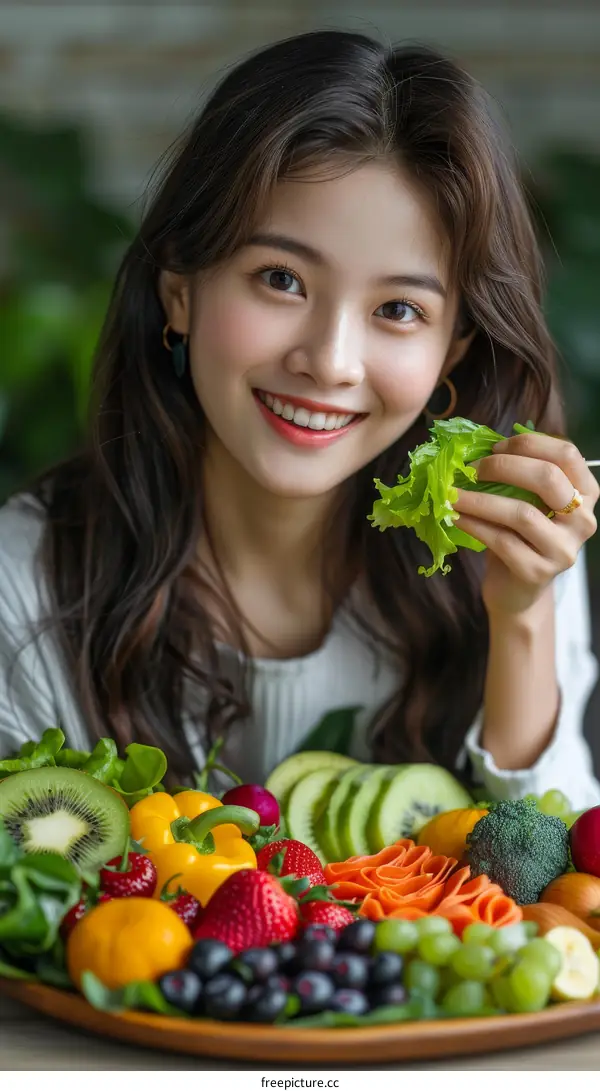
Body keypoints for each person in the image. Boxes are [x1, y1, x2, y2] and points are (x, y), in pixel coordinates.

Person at [0, 30, 598, 807]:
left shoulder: (511, 552)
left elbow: (560, 905)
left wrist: (521, 617)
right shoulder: (23, 586)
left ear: (452, 351)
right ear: (181, 290)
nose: (331, 360)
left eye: (398, 308)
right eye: (281, 279)